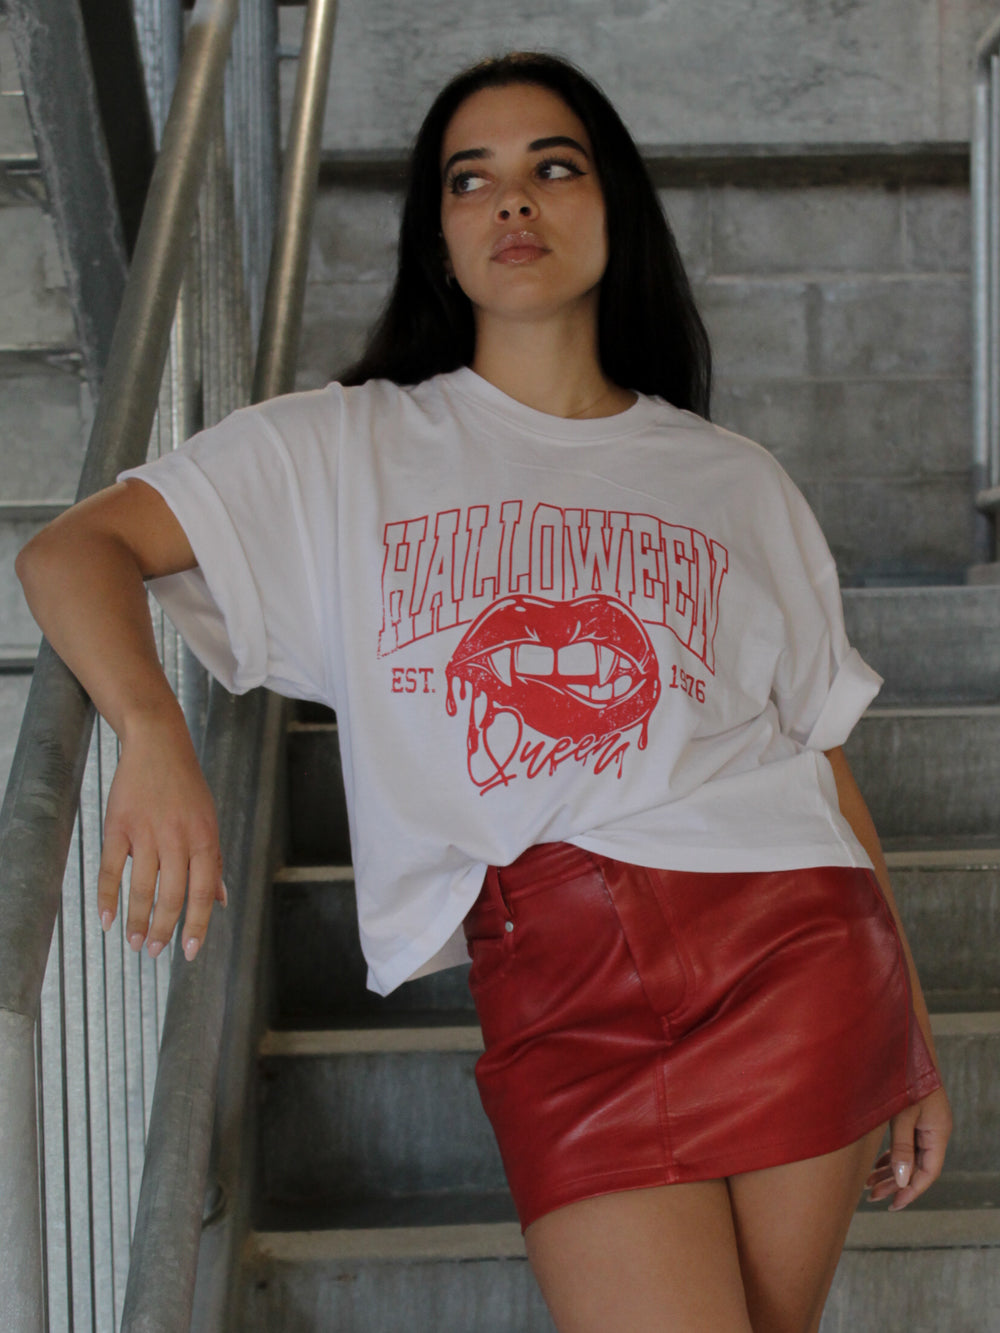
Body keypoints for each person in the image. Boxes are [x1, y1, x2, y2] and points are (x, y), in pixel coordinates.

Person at [17, 51, 951, 1333]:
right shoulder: (342, 445)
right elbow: (73, 550)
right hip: (557, 978)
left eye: (552, 167)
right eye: (473, 179)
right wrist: (151, 735)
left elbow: (819, 758)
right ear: (438, 233)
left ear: (610, 207)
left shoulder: (730, 477)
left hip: (796, 942)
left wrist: (911, 1035)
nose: (514, 202)